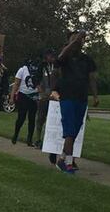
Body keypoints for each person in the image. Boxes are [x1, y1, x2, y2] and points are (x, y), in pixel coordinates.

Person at [52, 31, 99, 174]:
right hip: (67, 97)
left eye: (81, 40)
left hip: (81, 97)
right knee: (70, 130)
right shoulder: (65, 57)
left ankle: (63, 158)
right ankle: (68, 163)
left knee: (76, 129)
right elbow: (59, 58)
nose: (79, 41)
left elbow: (91, 77)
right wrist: (73, 42)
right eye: (76, 40)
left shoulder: (87, 59)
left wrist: (95, 95)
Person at [10, 58, 41, 146]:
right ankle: (16, 134)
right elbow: (16, 83)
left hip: (34, 96)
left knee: (32, 118)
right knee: (21, 117)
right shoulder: (22, 70)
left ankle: (29, 139)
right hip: (23, 95)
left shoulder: (38, 70)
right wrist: (12, 97)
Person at [34, 50, 58, 148]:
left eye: (52, 56)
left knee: (52, 119)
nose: (51, 58)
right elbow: (36, 78)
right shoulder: (42, 66)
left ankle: (48, 140)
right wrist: (38, 87)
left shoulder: (57, 66)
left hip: (54, 95)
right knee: (40, 118)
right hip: (44, 95)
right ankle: (38, 139)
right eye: (49, 56)